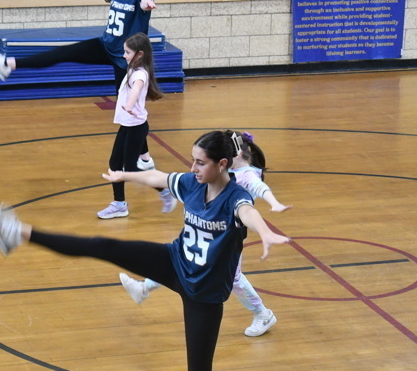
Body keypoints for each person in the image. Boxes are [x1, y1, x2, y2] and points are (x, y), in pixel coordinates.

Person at [0, 130, 291, 371]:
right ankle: (16, 232)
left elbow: (248, 212)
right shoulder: (192, 183)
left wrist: (264, 232)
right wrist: (125, 176)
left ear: (222, 165)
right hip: (175, 263)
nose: (193, 167)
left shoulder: (235, 197)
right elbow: (158, 176)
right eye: (192, 159)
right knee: (102, 246)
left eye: (200, 162)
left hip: (203, 294)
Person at [0, 0, 158, 168]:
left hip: (127, 60)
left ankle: (145, 159)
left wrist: (147, 4)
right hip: (105, 47)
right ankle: (8, 64)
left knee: (131, 112)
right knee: (64, 53)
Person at [119, 132, 292, 336]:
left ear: (231, 157)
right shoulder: (225, 174)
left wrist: (274, 205)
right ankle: (144, 288)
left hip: (226, 241)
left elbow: (257, 192)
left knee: (233, 279)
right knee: (185, 259)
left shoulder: (247, 176)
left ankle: (262, 314)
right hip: (211, 234)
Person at [98, 32, 174, 219]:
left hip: (136, 127)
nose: (124, 56)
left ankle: (165, 191)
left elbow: (137, 89)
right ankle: (119, 204)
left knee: (130, 169)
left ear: (140, 54)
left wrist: (129, 105)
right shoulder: (133, 68)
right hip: (129, 125)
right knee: (115, 164)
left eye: (127, 52)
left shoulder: (139, 74)